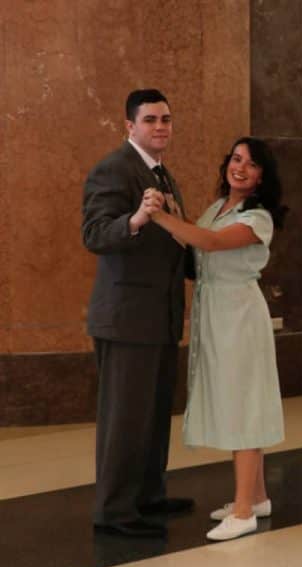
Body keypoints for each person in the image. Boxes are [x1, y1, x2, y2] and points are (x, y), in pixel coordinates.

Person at [148, 137, 286, 541]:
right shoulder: (216, 208)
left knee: (243, 405)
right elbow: (195, 250)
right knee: (236, 400)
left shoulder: (258, 217)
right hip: (216, 313)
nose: (240, 167)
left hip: (239, 315)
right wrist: (176, 219)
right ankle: (257, 497)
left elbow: (209, 242)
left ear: (262, 176)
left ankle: (244, 513)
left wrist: (160, 217)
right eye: (236, 159)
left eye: (251, 163)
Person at [82, 88, 194, 538]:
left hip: (160, 316)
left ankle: (148, 495)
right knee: (125, 419)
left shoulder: (164, 174)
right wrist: (135, 220)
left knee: (152, 414)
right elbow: (94, 233)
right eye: (150, 120)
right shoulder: (113, 168)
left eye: (166, 118)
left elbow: (175, 243)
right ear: (130, 126)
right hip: (127, 318)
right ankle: (114, 511)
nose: (160, 126)